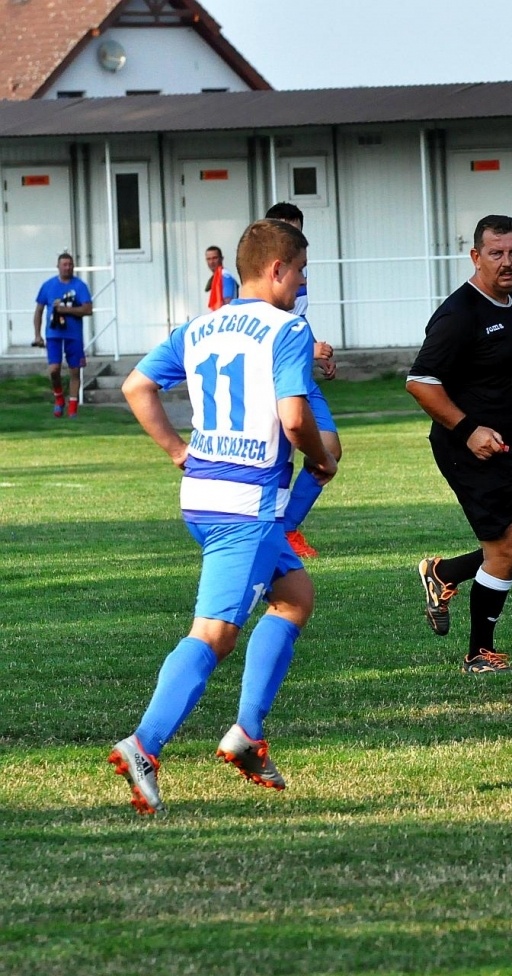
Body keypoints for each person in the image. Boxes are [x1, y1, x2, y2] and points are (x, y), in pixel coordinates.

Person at [109, 219, 336, 814]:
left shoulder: (199, 326)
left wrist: (177, 451)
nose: (303, 283)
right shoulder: (288, 329)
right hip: (247, 508)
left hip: (202, 495)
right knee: (213, 635)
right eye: (302, 271)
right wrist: (320, 455)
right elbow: (292, 419)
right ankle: (143, 746)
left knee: (294, 596)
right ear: (278, 269)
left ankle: (247, 735)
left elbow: (137, 387)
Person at [408, 215, 512, 674]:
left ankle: (443, 572)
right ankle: (479, 652)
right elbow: (420, 382)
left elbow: (510, 368)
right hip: (468, 447)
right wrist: (468, 430)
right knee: (505, 549)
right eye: (495, 253)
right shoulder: (460, 313)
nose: (506, 262)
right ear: (475, 256)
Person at [265, 202, 339, 560]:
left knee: (329, 451)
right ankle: (274, 531)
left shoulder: (298, 276)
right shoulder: (262, 281)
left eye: (295, 231)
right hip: (276, 376)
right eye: (283, 230)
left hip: (301, 374)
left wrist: (317, 350)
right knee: (280, 452)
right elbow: (267, 336)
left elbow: (296, 324)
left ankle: (288, 527)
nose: (290, 238)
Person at [32, 252, 93, 418]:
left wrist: (66, 310)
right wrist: (37, 335)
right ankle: (59, 399)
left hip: (74, 335)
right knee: (54, 369)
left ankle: (73, 408)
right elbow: (38, 311)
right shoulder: (48, 286)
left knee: (75, 371)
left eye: (70, 264)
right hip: (54, 334)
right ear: (58, 266)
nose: (67, 267)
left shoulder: (80, 286)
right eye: (64, 264)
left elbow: (88, 309)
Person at [203, 245, 239, 311]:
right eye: (209, 259)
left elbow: (228, 301)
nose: (211, 262)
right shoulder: (216, 277)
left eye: (215, 258)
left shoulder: (225, 276)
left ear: (221, 258)